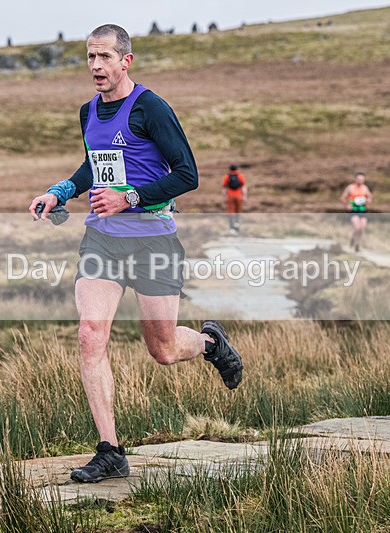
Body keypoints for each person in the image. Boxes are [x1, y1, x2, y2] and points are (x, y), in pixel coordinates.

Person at [28, 24, 243, 484]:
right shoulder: (87, 111)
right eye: (90, 57)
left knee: (162, 350)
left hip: (153, 240)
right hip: (103, 240)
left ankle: (209, 343)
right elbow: (94, 164)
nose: (96, 67)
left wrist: (130, 198)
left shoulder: (150, 107)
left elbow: (187, 175)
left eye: (105, 57)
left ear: (126, 60)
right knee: (90, 334)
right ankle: (110, 451)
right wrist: (60, 191)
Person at [340, 172, 372, 252]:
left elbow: (370, 197)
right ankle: (353, 240)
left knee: (362, 228)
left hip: (362, 210)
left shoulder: (365, 188)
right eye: (359, 179)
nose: (360, 181)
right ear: (355, 179)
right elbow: (343, 198)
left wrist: (367, 201)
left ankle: (357, 244)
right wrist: (347, 205)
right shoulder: (350, 187)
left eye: (362, 179)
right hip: (353, 210)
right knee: (357, 227)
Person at [222, 164, 247, 232]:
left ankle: (231, 227)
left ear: (230, 169)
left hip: (230, 195)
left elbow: (224, 187)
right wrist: (245, 196)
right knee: (238, 210)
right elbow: (243, 187)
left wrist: (224, 197)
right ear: (237, 169)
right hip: (239, 195)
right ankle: (237, 224)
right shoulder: (240, 176)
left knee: (230, 211)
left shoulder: (227, 176)